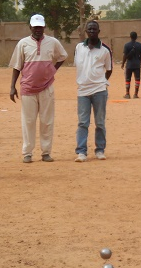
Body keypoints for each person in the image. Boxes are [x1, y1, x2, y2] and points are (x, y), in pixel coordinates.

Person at [9, 14, 68, 163]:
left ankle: (46, 152)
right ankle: (27, 153)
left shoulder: (52, 42)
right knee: (28, 121)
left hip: (47, 87)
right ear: (30, 27)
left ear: (44, 27)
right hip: (28, 88)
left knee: (47, 121)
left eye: (40, 27)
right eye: (35, 27)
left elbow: (62, 56)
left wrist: (52, 70)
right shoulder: (23, 44)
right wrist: (12, 87)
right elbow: (17, 66)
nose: (38, 29)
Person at [73, 21, 113, 163]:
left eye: (94, 29)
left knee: (100, 122)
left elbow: (109, 69)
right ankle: (81, 152)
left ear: (98, 31)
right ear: (85, 30)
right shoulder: (78, 48)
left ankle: (100, 150)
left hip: (99, 91)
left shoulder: (105, 50)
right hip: (82, 91)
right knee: (83, 122)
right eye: (89, 28)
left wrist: (102, 81)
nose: (91, 31)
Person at [121, 32, 141, 99]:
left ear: (130, 36)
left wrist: (123, 63)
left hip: (129, 64)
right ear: (136, 37)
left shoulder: (127, 45)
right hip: (137, 64)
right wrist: (140, 62)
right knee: (137, 79)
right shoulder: (140, 45)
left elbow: (125, 56)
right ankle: (135, 94)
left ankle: (127, 94)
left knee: (128, 79)